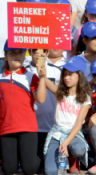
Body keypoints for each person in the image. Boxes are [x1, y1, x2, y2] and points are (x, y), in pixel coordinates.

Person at [0, 43, 48, 175]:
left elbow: (41, 99)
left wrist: (42, 77)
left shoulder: (31, 75)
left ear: (25, 54)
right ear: (5, 56)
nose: (17, 56)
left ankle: (46, 158)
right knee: (8, 169)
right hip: (6, 129)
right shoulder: (0, 77)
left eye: (20, 52)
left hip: (27, 128)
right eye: (12, 52)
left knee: (30, 169)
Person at [42, 56, 92, 175]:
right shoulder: (60, 91)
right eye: (65, 74)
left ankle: (73, 159)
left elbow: (78, 124)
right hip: (57, 134)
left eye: (70, 74)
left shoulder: (85, 98)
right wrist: (42, 65)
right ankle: (64, 159)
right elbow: (43, 79)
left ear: (80, 75)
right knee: (51, 172)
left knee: (78, 149)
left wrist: (66, 142)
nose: (66, 77)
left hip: (73, 134)